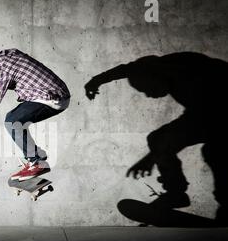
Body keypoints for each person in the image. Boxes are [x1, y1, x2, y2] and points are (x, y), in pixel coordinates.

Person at [84, 52, 228, 224]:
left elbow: (203, 118)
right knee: (163, 140)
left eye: (147, 89)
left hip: (218, 114)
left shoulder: (190, 77)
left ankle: (185, 196)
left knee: (216, 150)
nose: (148, 95)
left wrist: (150, 158)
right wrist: (96, 81)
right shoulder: (158, 68)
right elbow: (127, 69)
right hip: (211, 116)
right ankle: (177, 194)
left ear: (155, 78)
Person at [0, 49, 70, 181]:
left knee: (13, 120)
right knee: (14, 120)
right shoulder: (5, 57)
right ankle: (35, 156)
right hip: (55, 94)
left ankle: (36, 161)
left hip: (52, 97)